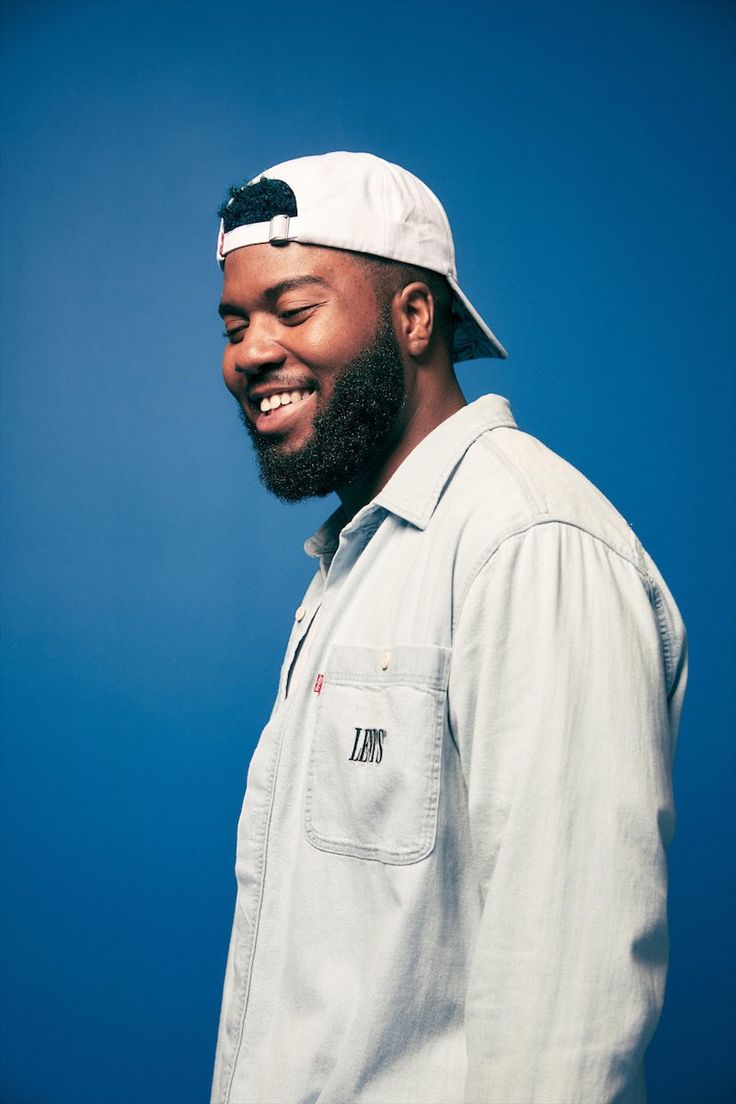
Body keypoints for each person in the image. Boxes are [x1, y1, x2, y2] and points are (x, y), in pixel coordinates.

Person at [209, 151, 687, 1104]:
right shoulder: (362, 559)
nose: (251, 352)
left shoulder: (531, 544)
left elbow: (569, 1013)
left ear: (413, 317)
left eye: (294, 310)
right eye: (235, 323)